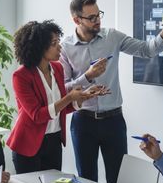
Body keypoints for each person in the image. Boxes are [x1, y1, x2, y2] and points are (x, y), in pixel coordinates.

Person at [60, 0, 163, 183]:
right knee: (86, 180)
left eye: (98, 15)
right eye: (91, 18)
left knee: (118, 181)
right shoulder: (65, 48)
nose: (97, 20)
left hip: (113, 121)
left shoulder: (112, 37)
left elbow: (146, 50)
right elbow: (63, 89)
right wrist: (87, 76)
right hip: (83, 122)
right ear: (76, 20)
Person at [7, 20, 105, 174]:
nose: (60, 47)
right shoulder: (21, 76)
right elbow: (38, 115)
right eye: (54, 43)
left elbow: (59, 110)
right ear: (39, 47)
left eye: (58, 41)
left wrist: (81, 98)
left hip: (54, 142)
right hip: (28, 144)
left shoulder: (58, 68)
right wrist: (69, 97)